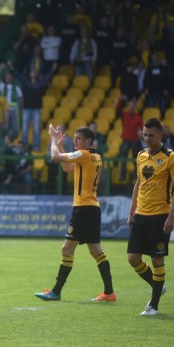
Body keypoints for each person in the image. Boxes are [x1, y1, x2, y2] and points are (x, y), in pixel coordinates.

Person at [35, 125, 115, 302]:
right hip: (93, 208)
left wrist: (54, 140)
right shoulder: (94, 156)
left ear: (88, 141)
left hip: (83, 209)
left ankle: (56, 291)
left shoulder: (84, 154)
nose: (76, 141)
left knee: (67, 248)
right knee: (96, 250)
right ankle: (109, 292)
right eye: (75, 138)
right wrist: (62, 146)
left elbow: (55, 157)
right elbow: (67, 168)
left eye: (79, 138)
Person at [127, 118, 174, 316]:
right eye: (144, 135)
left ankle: (154, 305)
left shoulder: (171, 157)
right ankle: (157, 285)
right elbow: (138, 184)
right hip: (140, 215)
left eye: (151, 135)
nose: (147, 138)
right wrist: (131, 211)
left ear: (160, 135)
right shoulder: (141, 155)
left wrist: (171, 216)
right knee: (133, 258)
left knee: (157, 260)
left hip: (160, 216)